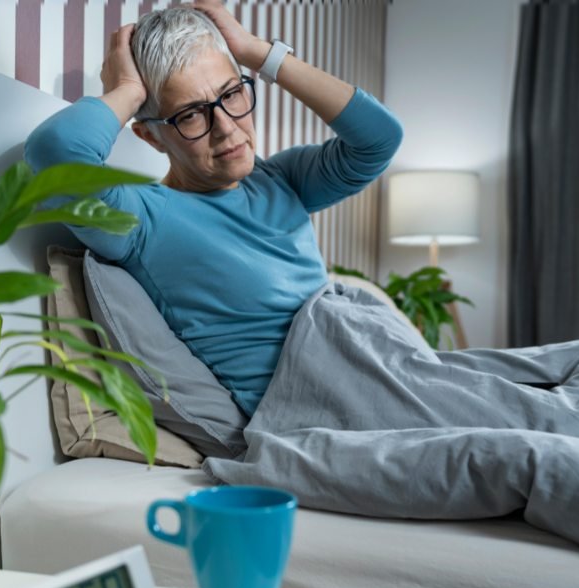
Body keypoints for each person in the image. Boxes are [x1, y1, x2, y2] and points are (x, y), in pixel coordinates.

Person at [25, 1, 402, 418]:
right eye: (190, 115)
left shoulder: (279, 180)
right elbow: (54, 152)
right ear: (150, 138)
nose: (227, 128)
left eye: (232, 93)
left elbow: (379, 139)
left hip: (370, 377)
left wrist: (257, 53)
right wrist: (128, 91)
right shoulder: (141, 219)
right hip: (314, 414)